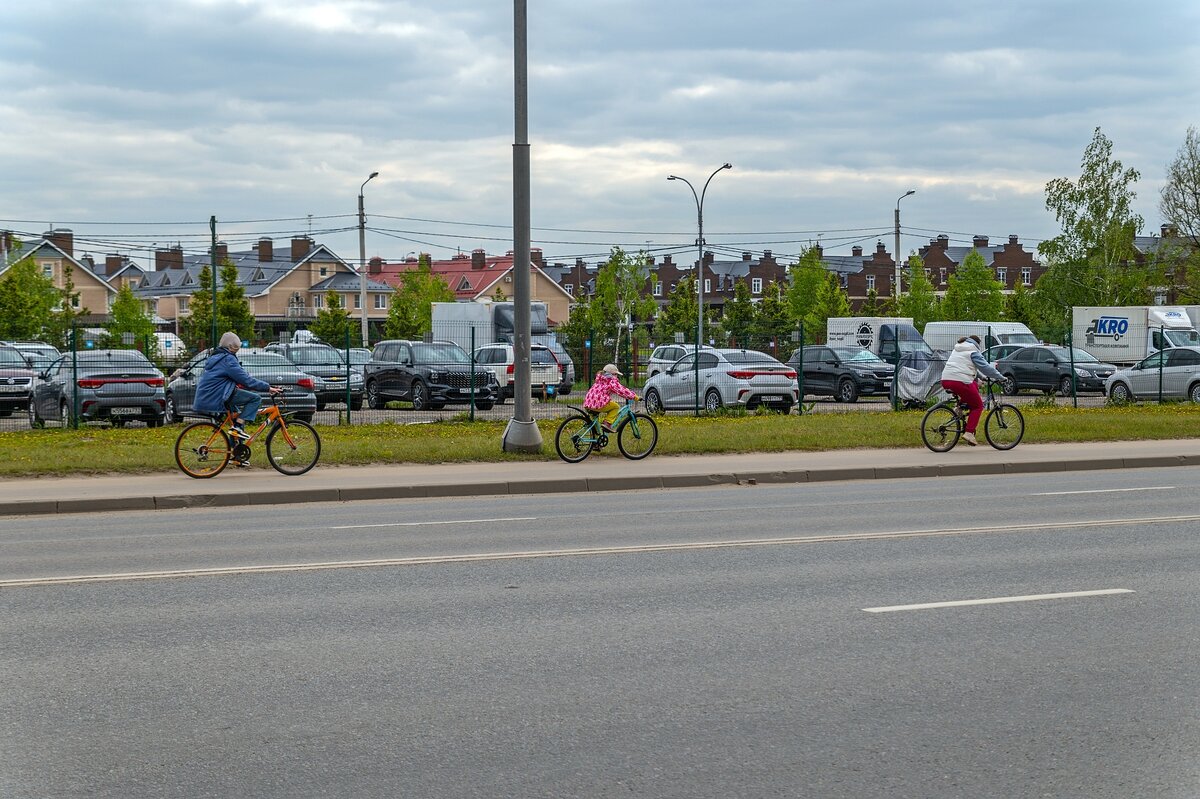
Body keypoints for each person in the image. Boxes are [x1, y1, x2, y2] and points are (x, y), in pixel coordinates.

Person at [193, 332, 280, 440]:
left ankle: (236, 451)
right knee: (255, 399)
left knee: (237, 416)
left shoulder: (217, 357)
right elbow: (245, 379)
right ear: (231, 347)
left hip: (211, 394)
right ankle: (237, 427)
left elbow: (227, 378)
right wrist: (267, 387)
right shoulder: (228, 359)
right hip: (219, 395)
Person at [940, 334, 1005, 446]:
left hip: (946, 379)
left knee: (973, 386)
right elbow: (985, 367)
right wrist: (1001, 377)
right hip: (960, 381)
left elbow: (966, 366)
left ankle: (959, 408)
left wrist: (980, 378)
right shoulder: (973, 350)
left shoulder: (958, 348)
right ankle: (969, 432)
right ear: (977, 344)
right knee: (978, 406)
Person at [583, 363, 638, 432]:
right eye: (616, 374)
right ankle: (607, 423)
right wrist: (634, 396)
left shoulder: (599, 379)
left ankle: (596, 436)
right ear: (612, 374)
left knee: (596, 427)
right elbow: (622, 390)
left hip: (588, 402)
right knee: (616, 407)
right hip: (598, 403)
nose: (617, 376)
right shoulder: (611, 381)